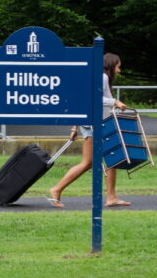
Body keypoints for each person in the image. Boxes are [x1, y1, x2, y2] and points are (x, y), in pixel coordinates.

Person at [47, 52, 130, 208]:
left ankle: (111, 196)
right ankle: (56, 189)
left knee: (107, 160)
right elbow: (95, 98)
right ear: (112, 65)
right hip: (95, 125)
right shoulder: (102, 77)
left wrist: (75, 126)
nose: (119, 71)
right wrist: (116, 102)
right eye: (119, 67)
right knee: (96, 161)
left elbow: (83, 101)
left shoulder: (98, 77)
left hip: (96, 123)